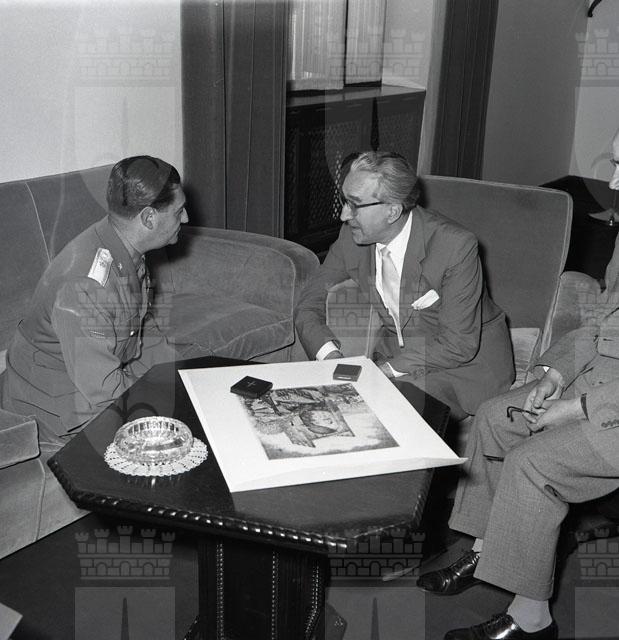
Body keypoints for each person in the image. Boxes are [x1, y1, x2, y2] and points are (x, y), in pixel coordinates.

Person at [416, 234, 619, 636]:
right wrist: (555, 376)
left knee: (532, 463)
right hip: (601, 378)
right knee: (495, 418)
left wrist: (576, 408)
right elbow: (600, 323)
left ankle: (532, 619)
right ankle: (488, 550)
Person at [294, 151, 514, 418]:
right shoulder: (350, 237)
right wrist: (331, 358)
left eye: (355, 205)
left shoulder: (455, 246)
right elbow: (309, 304)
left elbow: (458, 344)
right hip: (394, 358)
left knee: (385, 415)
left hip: (463, 367)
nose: (343, 215)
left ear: (393, 211)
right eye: (344, 200)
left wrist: (384, 372)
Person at [0, 155, 187, 444]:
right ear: (149, 218)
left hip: (96, 379)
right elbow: (104, 393)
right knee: (175, 444)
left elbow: (140, 329)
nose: (185, 218)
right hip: (54, 409)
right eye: (179, 211)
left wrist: (184, 377)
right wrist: (169, 409)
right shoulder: (86, 286)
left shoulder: (124, 248)